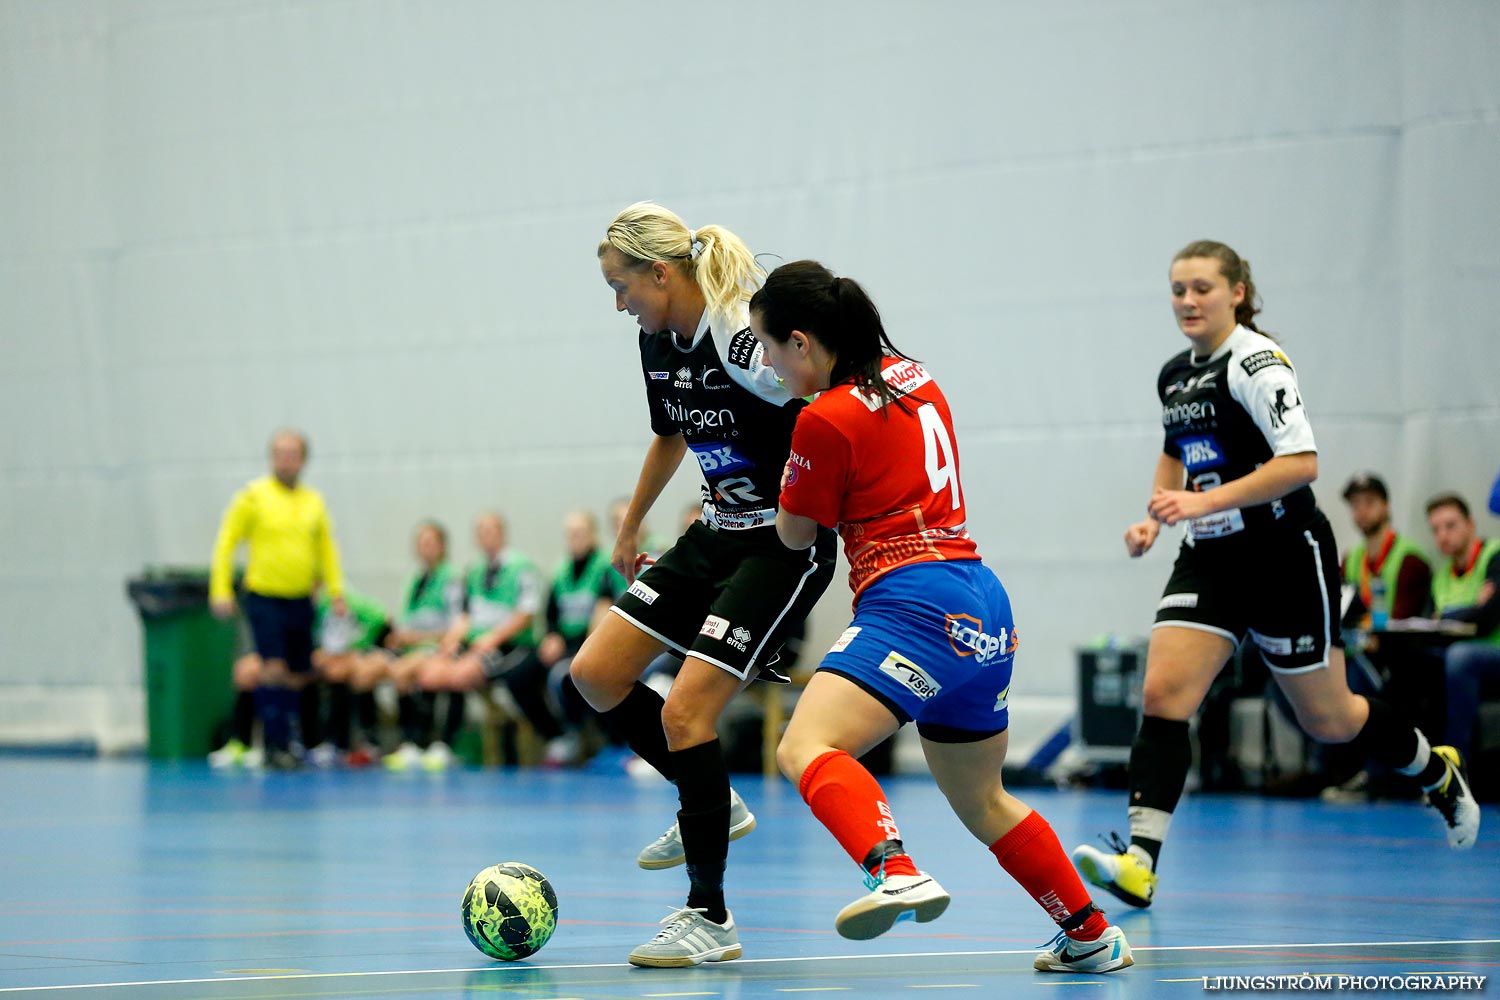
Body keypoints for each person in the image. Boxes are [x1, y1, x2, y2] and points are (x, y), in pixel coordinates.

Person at [1070, 241, 1479, 911]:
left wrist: (1203, 500)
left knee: (1331, 719)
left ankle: (1434, 771)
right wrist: (1158, 517)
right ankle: (1141, 862)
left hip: (1284, 553)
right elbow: (1176, 456)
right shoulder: (1175, 375)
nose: (1187, 301)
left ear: (1236, 292)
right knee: (1163, 693)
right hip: (1210, 555)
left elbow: (1302, 465)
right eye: (1177, 289)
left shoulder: (1257, 365)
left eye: (1201, 288)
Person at [748, 261, 1131, 974]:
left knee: (806, 746)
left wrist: (783, 455)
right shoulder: (915, 375)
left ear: (802, 342)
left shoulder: (820, 419)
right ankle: (1089, 932)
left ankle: (892, 868)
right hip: (982, 602)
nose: (768, 365)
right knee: (984, 798)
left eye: (770, 349)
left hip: (912, 601)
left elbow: (796, 534)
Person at [571, 202, 837, 968]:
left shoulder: (740, 336)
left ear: (662, 273)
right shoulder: (658, 342)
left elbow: (826, 399)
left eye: (622, 286)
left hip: (779, 548)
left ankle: (708, 916)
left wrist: (828, 509)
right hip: (713, 534)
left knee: (687, 711)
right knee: (593, 674)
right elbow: (673, 432)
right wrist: (630, 527)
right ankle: (713, 800)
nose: (619, 304)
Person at [209, 428, 347, 769]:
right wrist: (221, 588)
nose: (286, 459)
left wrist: (336, 590)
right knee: (272, 667)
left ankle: (293, 738)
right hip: (265, 595)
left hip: (300, 597)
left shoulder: (313, 501)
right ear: (272, 458)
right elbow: (226, 542)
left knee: (299, 671)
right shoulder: (253, 497)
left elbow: (326, 548)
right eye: (280, 453)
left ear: (302, 460)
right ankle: (273, 743)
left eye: (293, 453)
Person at [411, 512, 545, 770]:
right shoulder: (474, 570)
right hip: (475, 641)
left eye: (491, 530)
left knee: (458, 677)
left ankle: (447, 745)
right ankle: (421, 744)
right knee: (429, 673)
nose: (487, 537)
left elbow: (526, 613)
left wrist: (494, 637)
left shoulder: (521, 567)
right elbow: (465, 614)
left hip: (509, 645)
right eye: (481, 532)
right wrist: (450, 641)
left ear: (502, 533)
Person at [355, 520, 465, 766]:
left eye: (430, 542)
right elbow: (408, 621)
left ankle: (416, 740)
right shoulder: (415, 579)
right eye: (421, 543)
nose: (425, 548)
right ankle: (370, 742)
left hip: (435, 649)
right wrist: (398, 637)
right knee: (364, 671)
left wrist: (418, 638)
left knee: (403, 673)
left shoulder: (452, 579)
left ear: (442, 546)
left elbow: (457, 625)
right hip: (410, 649)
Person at [538, 510, 628, 767]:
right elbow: (551, 612)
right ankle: (568, 736)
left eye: (579, 533)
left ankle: (614, 742)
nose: (574, 539)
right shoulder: (562, 569)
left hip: (598, 643)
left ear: (592, 535)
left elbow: (607, 608)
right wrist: (551, 635)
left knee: (585, 675)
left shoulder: (604, 566)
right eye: (570, 534)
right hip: (568, 644)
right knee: (540, 674)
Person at [1426, 493, 1500, 761]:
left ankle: (1457, 765)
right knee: (1416, 664)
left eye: (1450, 525)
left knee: (1460, 657)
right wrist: (1469, 611)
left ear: (1471, 524)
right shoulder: (1441, 578)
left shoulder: (1494, 556)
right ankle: (1410, 769)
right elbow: (1428, 625)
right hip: (1455, 656)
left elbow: (1488, 618)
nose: (1443, 535)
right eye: (1435, 529)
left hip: (1492, 653)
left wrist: (1447, 616)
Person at [310, 587, 391, 765]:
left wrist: (357, 646)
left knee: (353, 674)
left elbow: (380, 617)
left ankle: (367, 742)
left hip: (361, 654)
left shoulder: (338, 597)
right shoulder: (310, 607)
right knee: (330, 671)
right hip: (333, 657)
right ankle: (332, 742)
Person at [1341, 473, 1432, 625]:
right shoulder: (1350, 558)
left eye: (1369, 502)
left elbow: (1404, 621)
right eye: (1355, 504)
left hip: (1395, 644)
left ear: (1386, 505)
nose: (1362, 510)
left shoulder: (1410, 559)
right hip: (1357, 643)